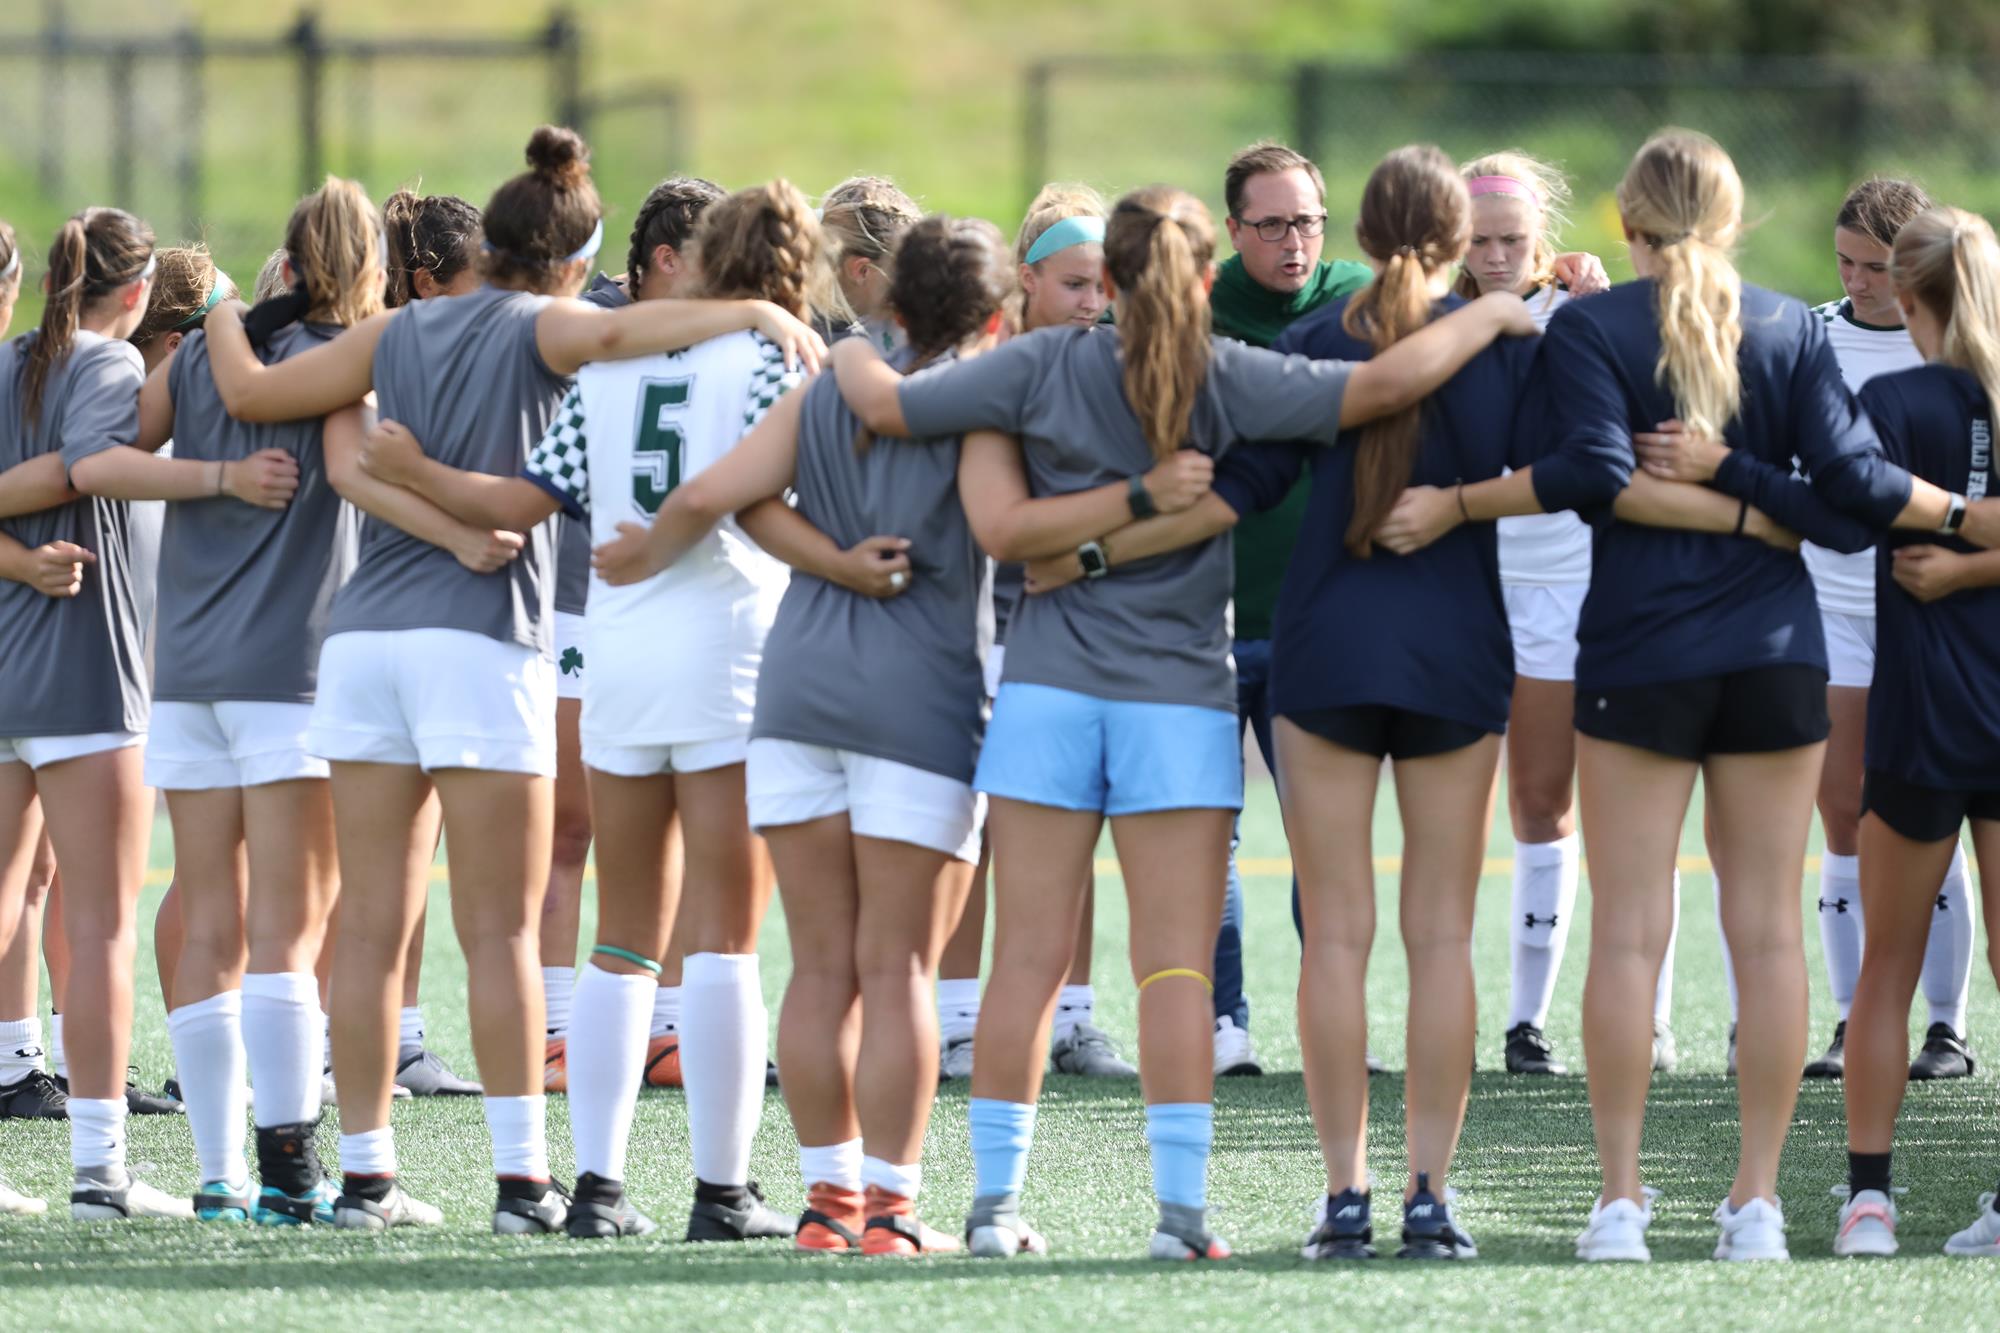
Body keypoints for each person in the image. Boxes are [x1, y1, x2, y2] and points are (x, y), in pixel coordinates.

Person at [833, 183, 1537, 1261]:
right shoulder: (1230, 372)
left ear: (1104, 281)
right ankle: (1179, 1217)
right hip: (1174, 700)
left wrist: (836, 344)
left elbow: (882, 406)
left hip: (1046, 691)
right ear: (1206, 277)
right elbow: (1386, 383)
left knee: (1024, 960)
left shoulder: (1032, 362)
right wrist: (1492, 309)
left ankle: (992, 1208)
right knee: (1175, 969)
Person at [1378, 127, 2000, 1264]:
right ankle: (1753, 1202)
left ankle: (1618, 1202)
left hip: (1636, 655)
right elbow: (1851, 499)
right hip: (1772, 653)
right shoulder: (1788, 329)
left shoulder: (1597, 325)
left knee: (1627, 932)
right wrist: (1761, 510)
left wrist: (1716, 495)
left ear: (1624, 223)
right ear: (1736, 219)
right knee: (1765, 936)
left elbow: (1593, 481)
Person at [197, 128, 823, 1234]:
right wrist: (758, 312)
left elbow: (252, 396)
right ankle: (523, 1181)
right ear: (577, 262)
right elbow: (632, 333)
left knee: (368, 924)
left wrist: (211, 306)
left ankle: (366, 1177)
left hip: (358, 645)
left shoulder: (395, 327)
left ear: (483, 241)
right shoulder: (557, 326)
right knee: (500, 929)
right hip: (482, 644)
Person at [355, 178, 840, 1242]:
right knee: (720, 936)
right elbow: (764, 508)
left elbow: (518, 505)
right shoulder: (778, 356)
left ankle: (600, 1189)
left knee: (623, 932)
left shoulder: (612, 368)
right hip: (727, 653)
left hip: (614, 657)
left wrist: (413, 468)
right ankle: (722, 1193)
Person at [591, 212, 1038, 1253]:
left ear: (886, 297)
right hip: (918, 696)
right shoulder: (978, 402)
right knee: (898, 972)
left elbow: (718, 495)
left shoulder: (828, 381)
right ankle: (888, 1208)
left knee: (819, 966)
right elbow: (1003, 532)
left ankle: (824, 1204)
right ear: (988, 312)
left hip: (794, 693)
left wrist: (651, 554)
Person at [1207, 141, 1609, 1079]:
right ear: (1456, 238)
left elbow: (1242, 487)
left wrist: (1100, 538)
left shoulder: (1312, 340)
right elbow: (1590, 467)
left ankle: (1343, 1190)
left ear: (1356, 236)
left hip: (1323, 649)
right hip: (1456, 652)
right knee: (1440, 940)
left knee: (1337, 936)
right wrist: (1464, 503)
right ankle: (1429, 1193)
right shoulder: (1509, 346)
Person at [1452, 149, 1681, 1077]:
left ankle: (1652, 1019)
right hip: (1472, 584)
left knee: (1619, 806)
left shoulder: (1582, 310)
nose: (1499, 255)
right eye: (1480, 240)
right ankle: (1526, 1022)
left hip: (1586, 582)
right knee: (1528, 802)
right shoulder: (1431, 316)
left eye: (1514, 239)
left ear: (1543, 236)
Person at [0, 206, 190, 1219]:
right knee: (102, 923)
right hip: (82, 673)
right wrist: (218, 478)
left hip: (3, 671)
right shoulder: (110, 368)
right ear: (134, 295)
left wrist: (18, 554)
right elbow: (85, 466)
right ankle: (99, 1173)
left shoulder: (5, 359)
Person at [1775, 179, 1976, 1084]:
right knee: (1847, 807)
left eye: (1877, 267)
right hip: (1836, 604)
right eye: (1845, 261)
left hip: (1936, 606)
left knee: (1942, 802)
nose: (1857, 281)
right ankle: (1856, 1017)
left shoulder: (1974, 358)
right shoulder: (1811, 334)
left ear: (1920, 272)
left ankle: (1947, 1024)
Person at [935, 183, 1136, 1084]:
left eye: (1104, 286)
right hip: (985, 635)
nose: (1093, 303)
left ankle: (1076, 1019)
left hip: (1078, 633)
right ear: (1027, 280)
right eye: (1075, 285)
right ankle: (957, 1019)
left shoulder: (1122, 366)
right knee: (972, 832)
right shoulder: (993, 367)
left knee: (1069, 829)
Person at [1833, 206, 2000, 1258]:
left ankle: (1866, 1202)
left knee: (1883, 963)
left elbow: (1850, 507)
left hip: (1923, 708)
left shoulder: (1892, 399)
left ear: (1905, 293)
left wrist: (1955, 540)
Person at [554, 175, 726, 1096]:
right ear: (665, 259)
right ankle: (553, 1028)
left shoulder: (722, 339)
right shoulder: (593, 332)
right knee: (572, 835)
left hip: (652, 613)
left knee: (690, 851)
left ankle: (666, 1032)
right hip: (594, 606)